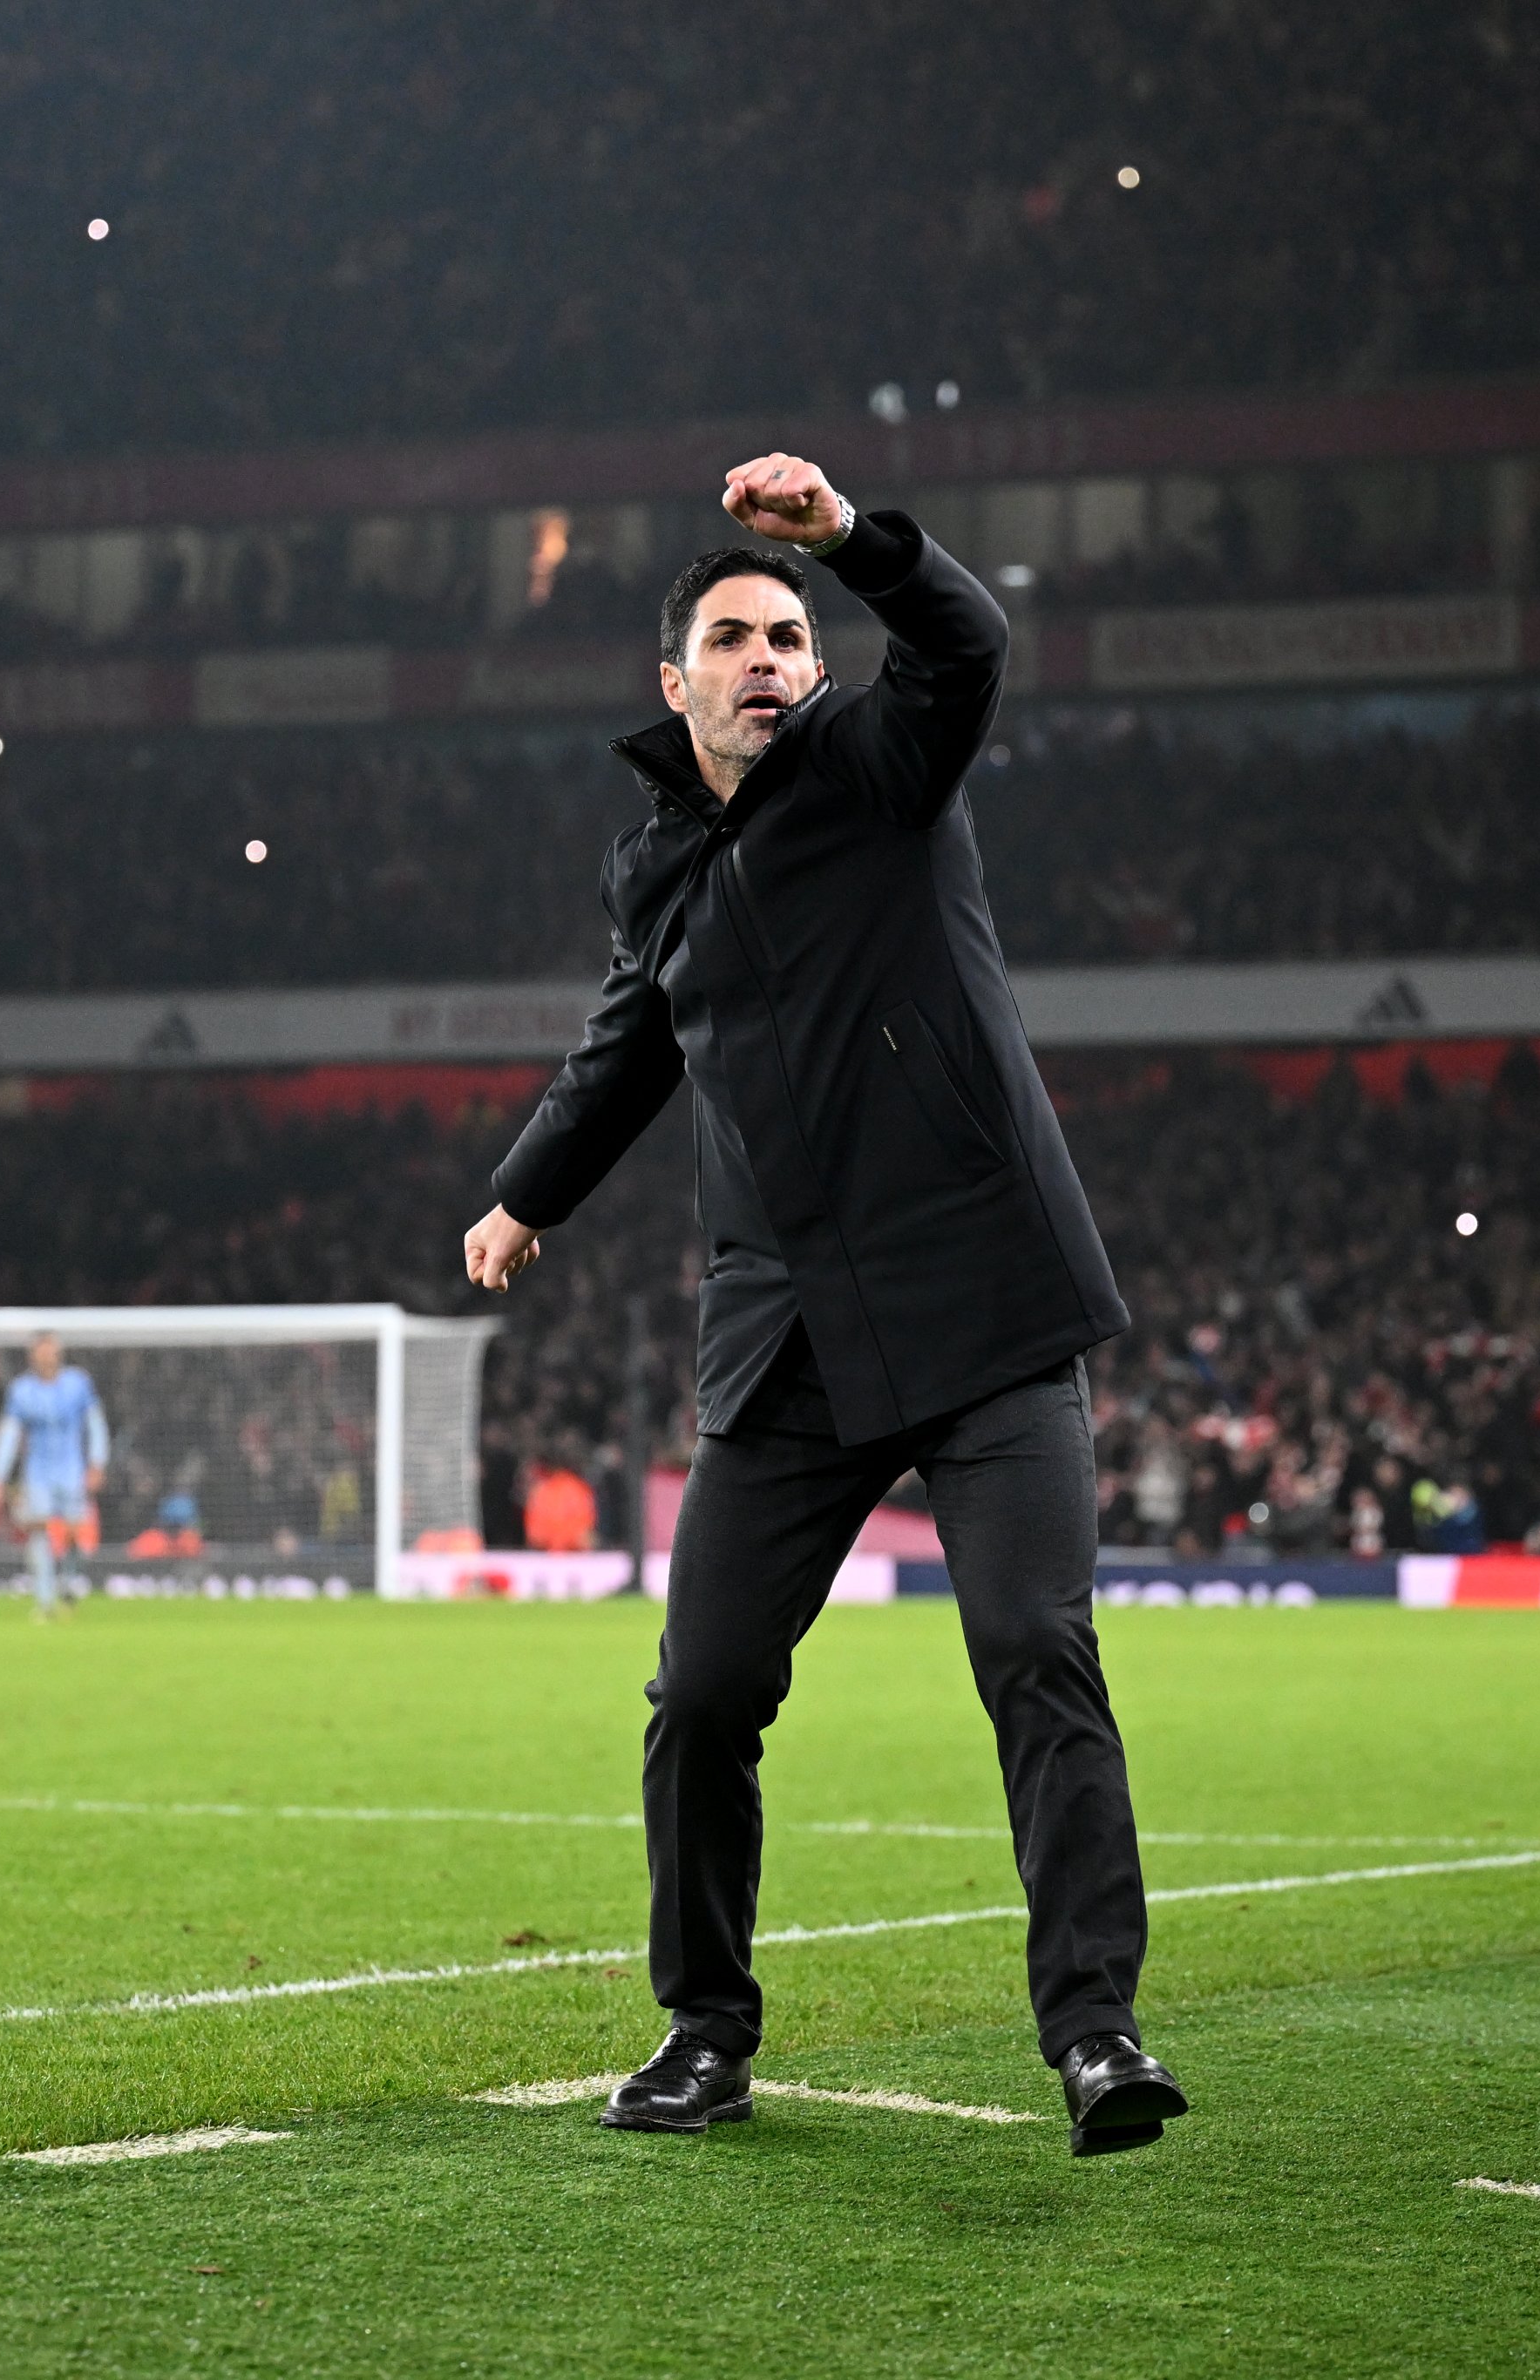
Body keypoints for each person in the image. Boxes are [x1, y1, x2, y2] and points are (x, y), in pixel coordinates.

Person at [462, 454, 1184, 2156]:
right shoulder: (653, 865)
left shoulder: (881, 765)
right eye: (733, 634)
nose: (770, 654)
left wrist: (853, 539)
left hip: (982, 1310)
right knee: (702, 1693)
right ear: (674, 678)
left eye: (791, 631)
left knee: (1032, 1649)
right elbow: (627, 1046)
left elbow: (968, 648)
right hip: (784, 1342)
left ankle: (1095, 2033)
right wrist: (520, 1197)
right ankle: (703, 2029)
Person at [0, 1332, 107, 1619]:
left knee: (76, 1535)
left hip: (72, 1472)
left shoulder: (78, 1384)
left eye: (50, 1352)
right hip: (38, 1473)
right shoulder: (22, 1390)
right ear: (32, 1357)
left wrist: (98, 1462)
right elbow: (9, 1435)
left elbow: (96, 1424)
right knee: (37, 1531)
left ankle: (67, 1582)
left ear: (58, 1355)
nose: (46, 1358)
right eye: (40, 1352)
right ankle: (44, 1600)